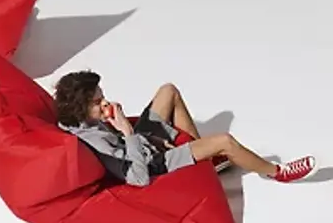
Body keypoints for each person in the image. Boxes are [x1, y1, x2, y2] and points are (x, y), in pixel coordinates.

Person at [54, 71, 315, 186]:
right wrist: (128, 133)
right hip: (154, 164)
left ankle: (206, 161)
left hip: (144, 144)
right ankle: (276, 172)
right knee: (225, 140)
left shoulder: (77, 119)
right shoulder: (96, 143)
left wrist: (143, 137)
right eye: (97, 102)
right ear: (80, 107)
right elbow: (138, 179)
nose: (106, 103)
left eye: (102, 96)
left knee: (168, 91)